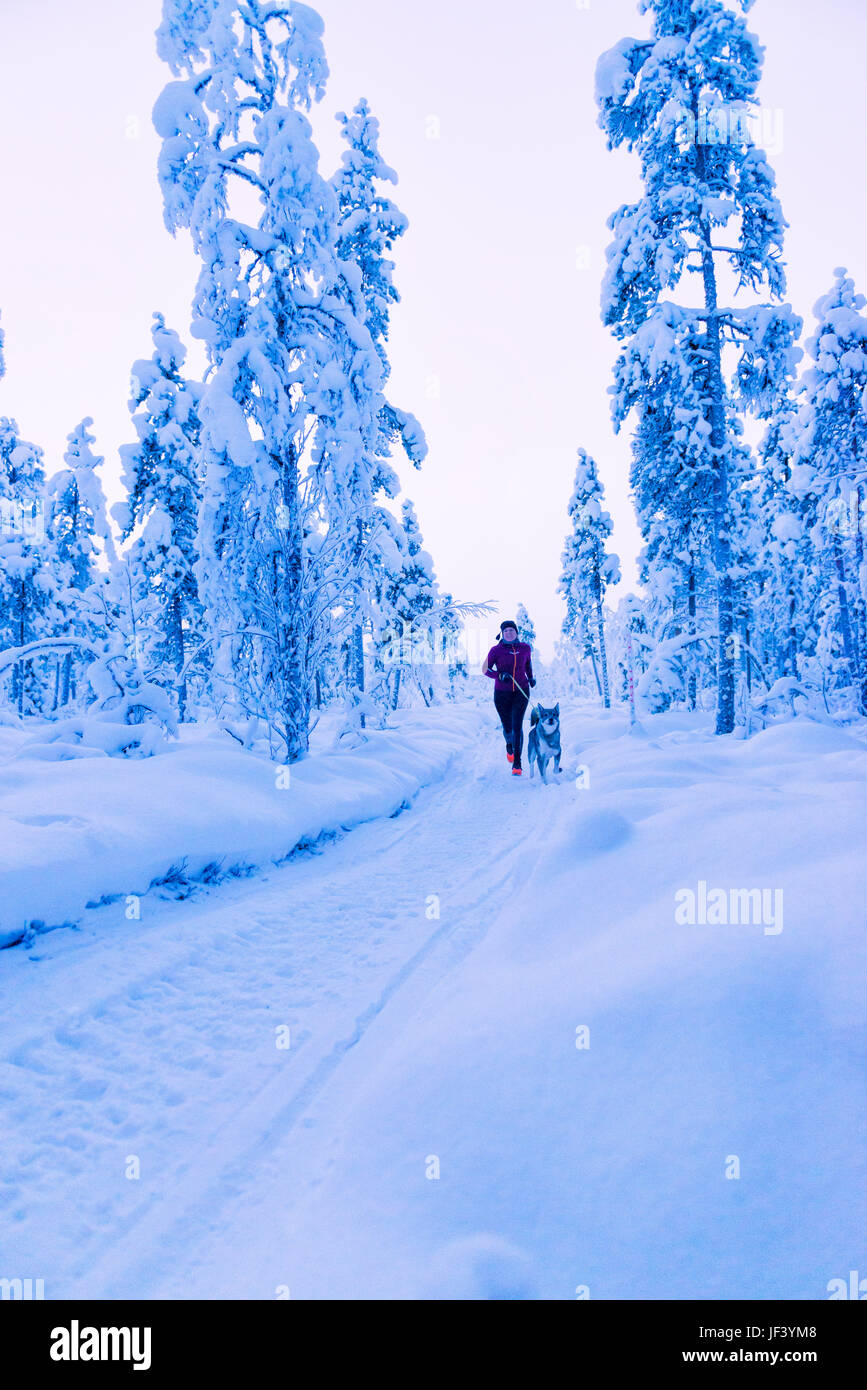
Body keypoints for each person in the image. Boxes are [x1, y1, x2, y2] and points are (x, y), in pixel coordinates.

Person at [483, 619, 535, 775]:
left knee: (517, 725)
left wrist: (531, 678)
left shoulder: (525, 648)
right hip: (502, 694)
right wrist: (499, 675)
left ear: (516, 632)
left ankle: (517, 763)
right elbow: (485, 669)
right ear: (502, 634)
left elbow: (528, 665)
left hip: (522, 691)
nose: (509, 633)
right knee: (508, 727)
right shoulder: (495, 650)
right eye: (506, 631)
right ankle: (509, 746)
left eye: (512, 630)